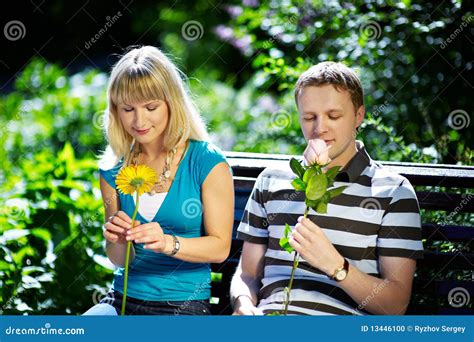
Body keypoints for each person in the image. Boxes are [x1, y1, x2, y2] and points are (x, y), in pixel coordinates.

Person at [230, 61, 424, 315]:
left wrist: (336, 266)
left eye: (333, 116)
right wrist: (242, 304)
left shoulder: (393, 192)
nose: (319, 128)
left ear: (359, 116)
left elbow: (395, 305)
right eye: (309, 117)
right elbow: (247, 274)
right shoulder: (271, 181)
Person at [83, 45, 234, 315]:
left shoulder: (207, 162)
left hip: (181, 305)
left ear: (171, 103)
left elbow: (220, 248)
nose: (139, 120)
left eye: (151, 107)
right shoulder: (112, 170)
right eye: (128, 109)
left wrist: (167, 242)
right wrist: (118, 241)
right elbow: (120, 260)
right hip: (121, 300)